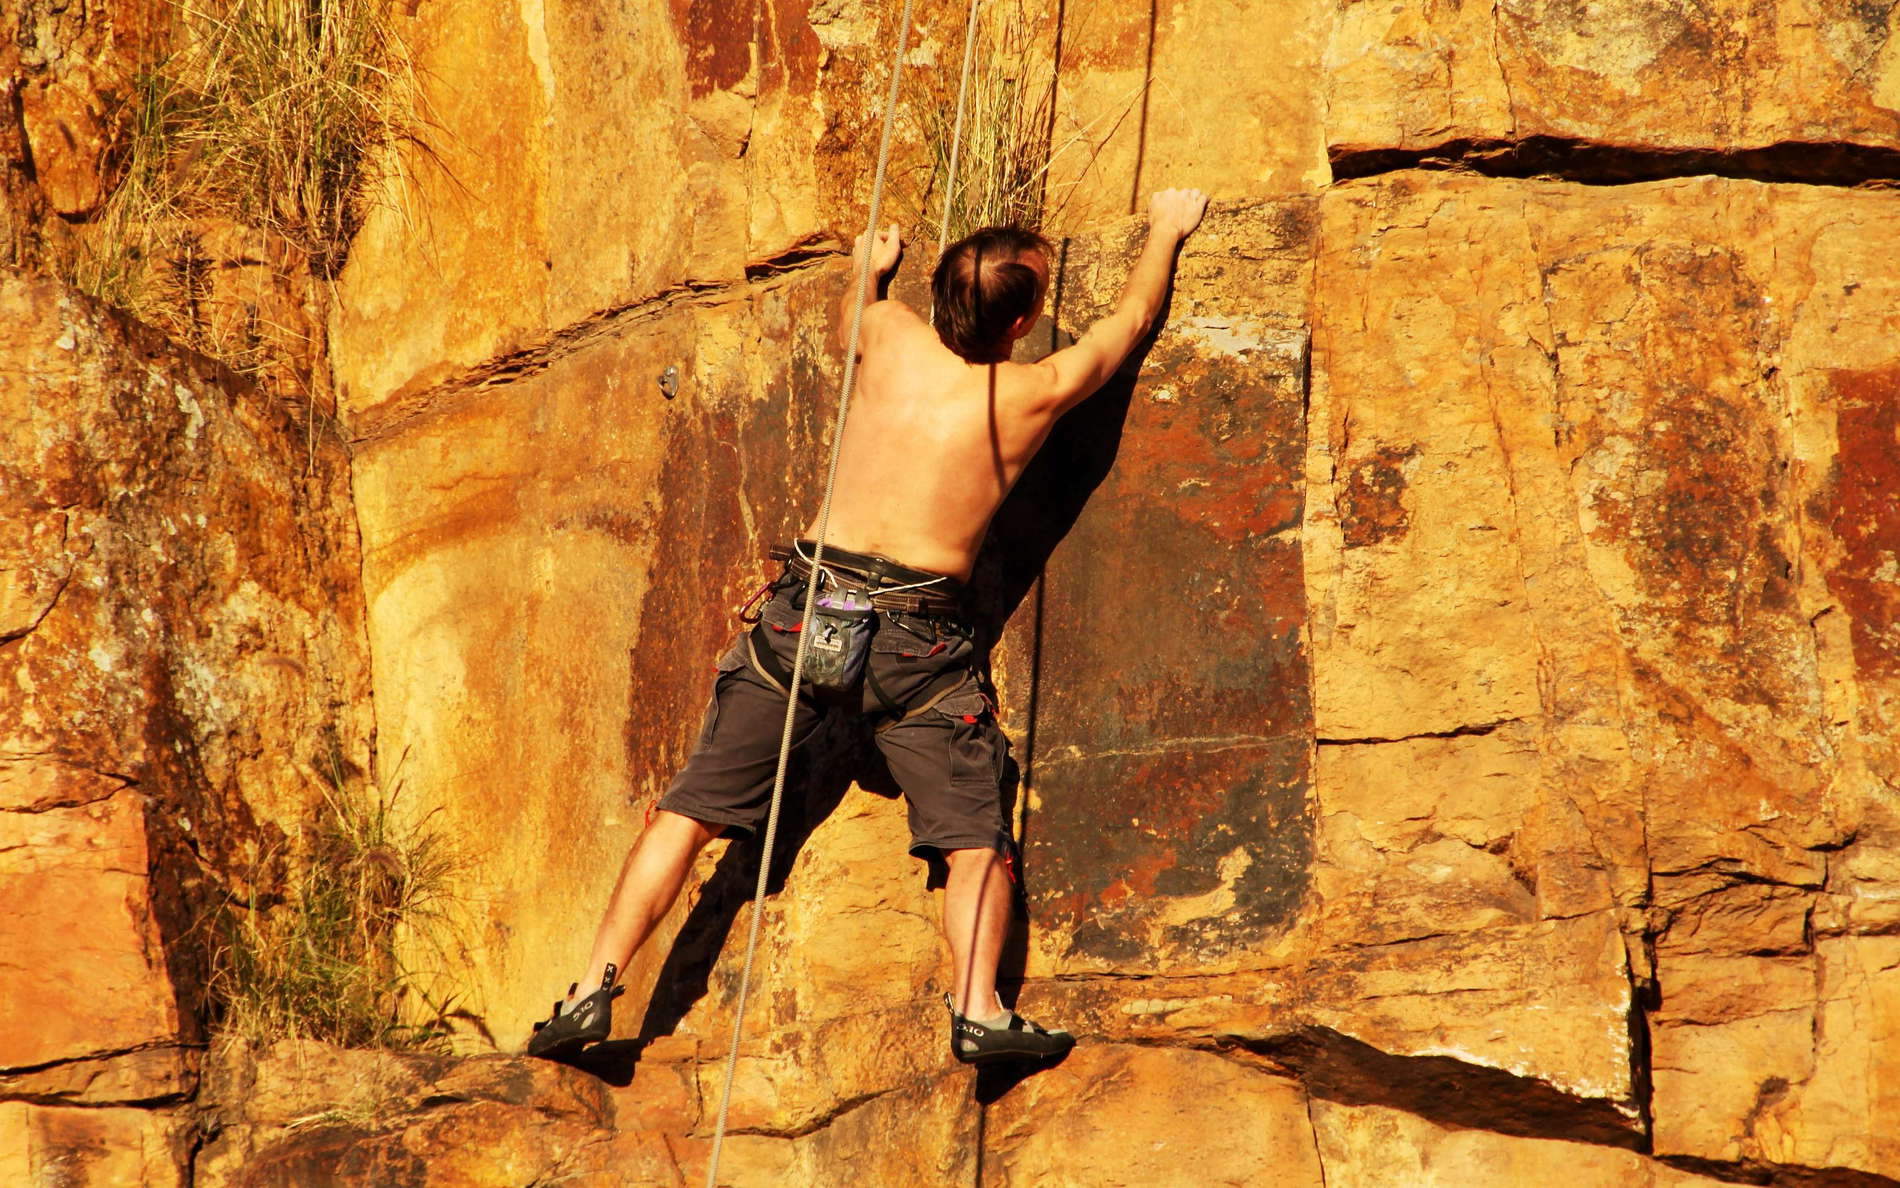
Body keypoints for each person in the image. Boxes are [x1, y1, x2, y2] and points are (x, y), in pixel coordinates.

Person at [528, 187, 1210, 1067]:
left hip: (804, 616)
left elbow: (861, 310)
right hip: (917, 646)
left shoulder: (890, 336)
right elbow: (1128, 323)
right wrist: (1165, 230)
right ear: (1023, 323)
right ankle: (978, 1010)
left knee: (688, 811)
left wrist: (868, 265)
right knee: (975, 844)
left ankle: (590, 991)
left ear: (941, 297)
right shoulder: (1034, 391)